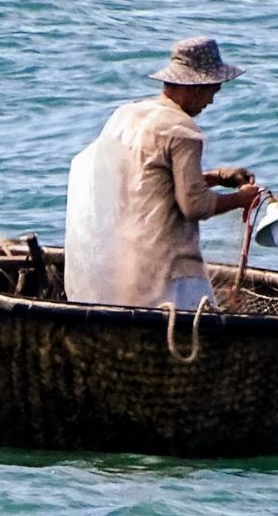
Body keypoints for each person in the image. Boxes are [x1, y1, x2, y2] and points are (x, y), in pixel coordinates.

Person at [63, 36, 261, 310]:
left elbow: (146, 180)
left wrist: (214, 176)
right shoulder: (184, 132)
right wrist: (241, 199)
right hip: (169, 273)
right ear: (194, 87)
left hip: (124, 264)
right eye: (212, 90)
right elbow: (194, 205)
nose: (212, 100)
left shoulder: (129, 115)